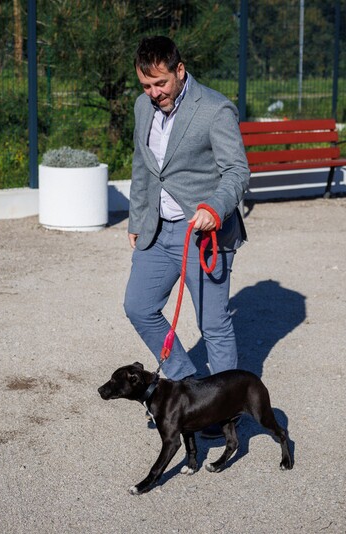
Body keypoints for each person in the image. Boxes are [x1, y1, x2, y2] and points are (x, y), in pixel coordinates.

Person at [123, 36, 250, 388]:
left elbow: (237, 171)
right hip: (156, 229)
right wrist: (137, 218)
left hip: (202, 232)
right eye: (146, 85)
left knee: (213, 325)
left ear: (179, 70)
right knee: (139, 306)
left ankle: (225, 407)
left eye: (160, 83)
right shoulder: (142, 106)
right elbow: (142, 165)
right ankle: (187, 383)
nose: (154, 93)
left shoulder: (215, 108)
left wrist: (215, 207)